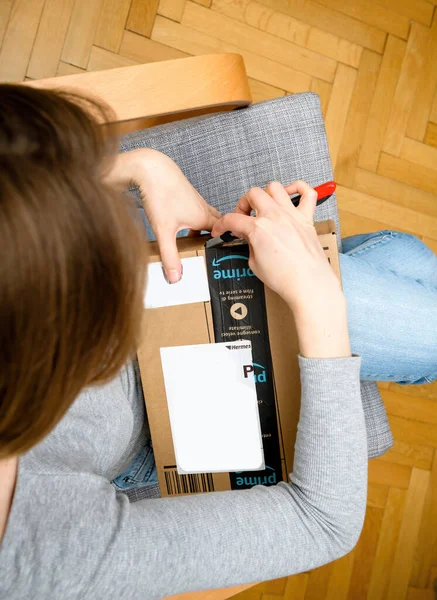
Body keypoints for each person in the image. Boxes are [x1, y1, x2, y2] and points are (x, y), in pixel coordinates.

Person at [0, 84, 431, 599]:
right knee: (418, 306)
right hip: (162, 425)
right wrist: (317, 299)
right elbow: (323, 521)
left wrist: (139, 166)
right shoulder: (50, 559)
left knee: (407, 282)